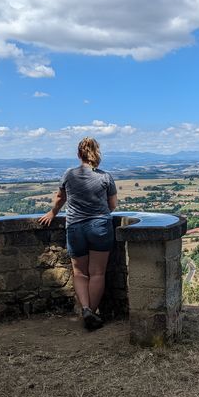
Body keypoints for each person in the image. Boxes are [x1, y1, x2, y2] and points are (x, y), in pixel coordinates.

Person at [38, 137, 117, 330]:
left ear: (78, 154)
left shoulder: (69, 174)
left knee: (80, 272)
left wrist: (52, 213)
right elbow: (112, 206)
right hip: (100, 227)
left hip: (75, 228)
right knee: (97, 272)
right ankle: (92, 313)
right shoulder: (105, 177)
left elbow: (60, 198)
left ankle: (86, 309)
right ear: (97, 153)